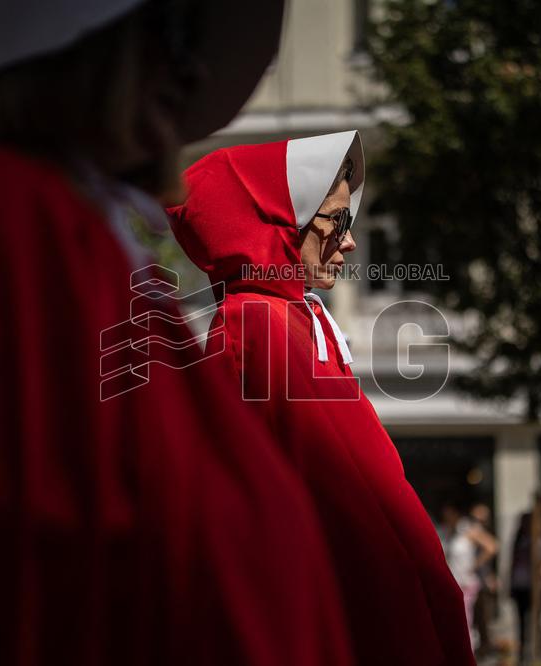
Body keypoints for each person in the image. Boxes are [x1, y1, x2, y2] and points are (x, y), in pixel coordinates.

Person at [0, 2, 355, 664]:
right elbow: (1, 560)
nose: (191, 72)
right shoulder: (7, 214)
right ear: (94, 55)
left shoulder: (65, 222)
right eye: (171, 35)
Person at [168, 133, 476, 665]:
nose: (349, 242)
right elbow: (326, 499)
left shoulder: (290, 319)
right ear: (279, 226)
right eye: (338, 220)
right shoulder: (256, 323)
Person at [437, 504, 499, 652]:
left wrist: (474, 565)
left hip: (465, 583)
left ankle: (467, 653)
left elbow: (492, 546)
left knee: (464, 622)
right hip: (453, 583)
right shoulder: (448, 532)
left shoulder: (466, 529)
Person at [509, 512, 541, 663]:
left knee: (539, 620)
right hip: (520, 584)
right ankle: (523, 654)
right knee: (522, 622)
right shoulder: (519, 540)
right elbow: (514, 563)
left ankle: (540, 651)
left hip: (536, 586)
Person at [469, 503, 500, 656]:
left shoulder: (478, 532)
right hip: (478, 579)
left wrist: (474, 564)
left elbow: (493, 547)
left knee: (482, 616)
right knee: (479, 617)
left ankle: (486, 647)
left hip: (480, 580)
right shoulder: (477, 530)